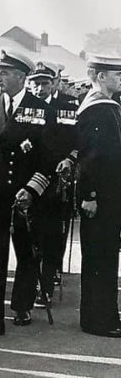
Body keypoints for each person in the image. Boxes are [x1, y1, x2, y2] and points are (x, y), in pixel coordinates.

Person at [0, 47, 52, 335]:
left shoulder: (40, 109)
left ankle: (21, 306)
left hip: (24, 195)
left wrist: (32, 189)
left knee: (26, 253)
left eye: (4, 73)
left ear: (21, 76)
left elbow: (47, 157)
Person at [74, 54, 121, 337]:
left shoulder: (109, 107)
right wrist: (89, 195)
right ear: (100, 76)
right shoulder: (98, 109)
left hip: (109, 195)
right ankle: (98, 320)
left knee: (104, 258)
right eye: (116, 74)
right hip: (100, 198)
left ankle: (105, 315)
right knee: (99, 259)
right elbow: (91, 157)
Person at [27, 61, 77, 306]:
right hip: (30, 181)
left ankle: (46, 283)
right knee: (31, 235)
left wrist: (70, 159)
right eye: (35, 83)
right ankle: (34, 283)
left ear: (54, 83)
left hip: (57, 181)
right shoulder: (24, 107)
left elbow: (78, 140)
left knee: (53, 235)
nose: (40, 88)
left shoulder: (67, 106)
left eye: (45, 83)